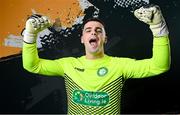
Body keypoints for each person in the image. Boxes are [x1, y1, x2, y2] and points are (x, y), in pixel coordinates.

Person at [22, 4, 171, 114]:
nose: (93, 32)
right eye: (88, 30)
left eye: (98, 31)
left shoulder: (120, 65)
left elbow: (159, 66)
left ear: (105, 39)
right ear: (82, 39)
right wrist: (30, 35)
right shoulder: (68, 65)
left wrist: (159, 27)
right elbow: (32, 65)